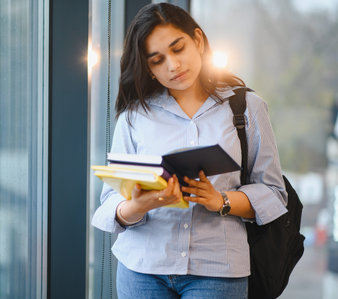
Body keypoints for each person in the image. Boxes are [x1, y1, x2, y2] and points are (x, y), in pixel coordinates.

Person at [91, 3, 288, 299]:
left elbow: (273, 192)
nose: (173, 65)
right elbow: (110, 202)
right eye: (157, 60)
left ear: (197, 40)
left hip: (217, 270)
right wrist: (141, 204)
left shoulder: (247, 107)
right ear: (149, 70)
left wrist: (220, 200)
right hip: (142, 269)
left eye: (178, 48)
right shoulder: (134, 115)